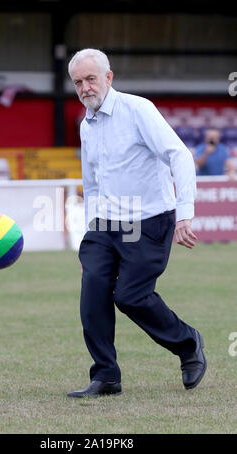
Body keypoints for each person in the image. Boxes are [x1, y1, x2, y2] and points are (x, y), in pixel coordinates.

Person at [67, 48, 207, 398]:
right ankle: (106, 377)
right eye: (78, 82)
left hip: (149, 221)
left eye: (91, 79)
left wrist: (184, 213)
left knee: (130, 296)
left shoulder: (138, 110)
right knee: (93, 292)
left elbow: (180, 155)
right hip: (105, 224)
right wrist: (89, 235)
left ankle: (188, 345)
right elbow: (93, 182)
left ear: (109, 78)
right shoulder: (86, 123)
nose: (85, 87)